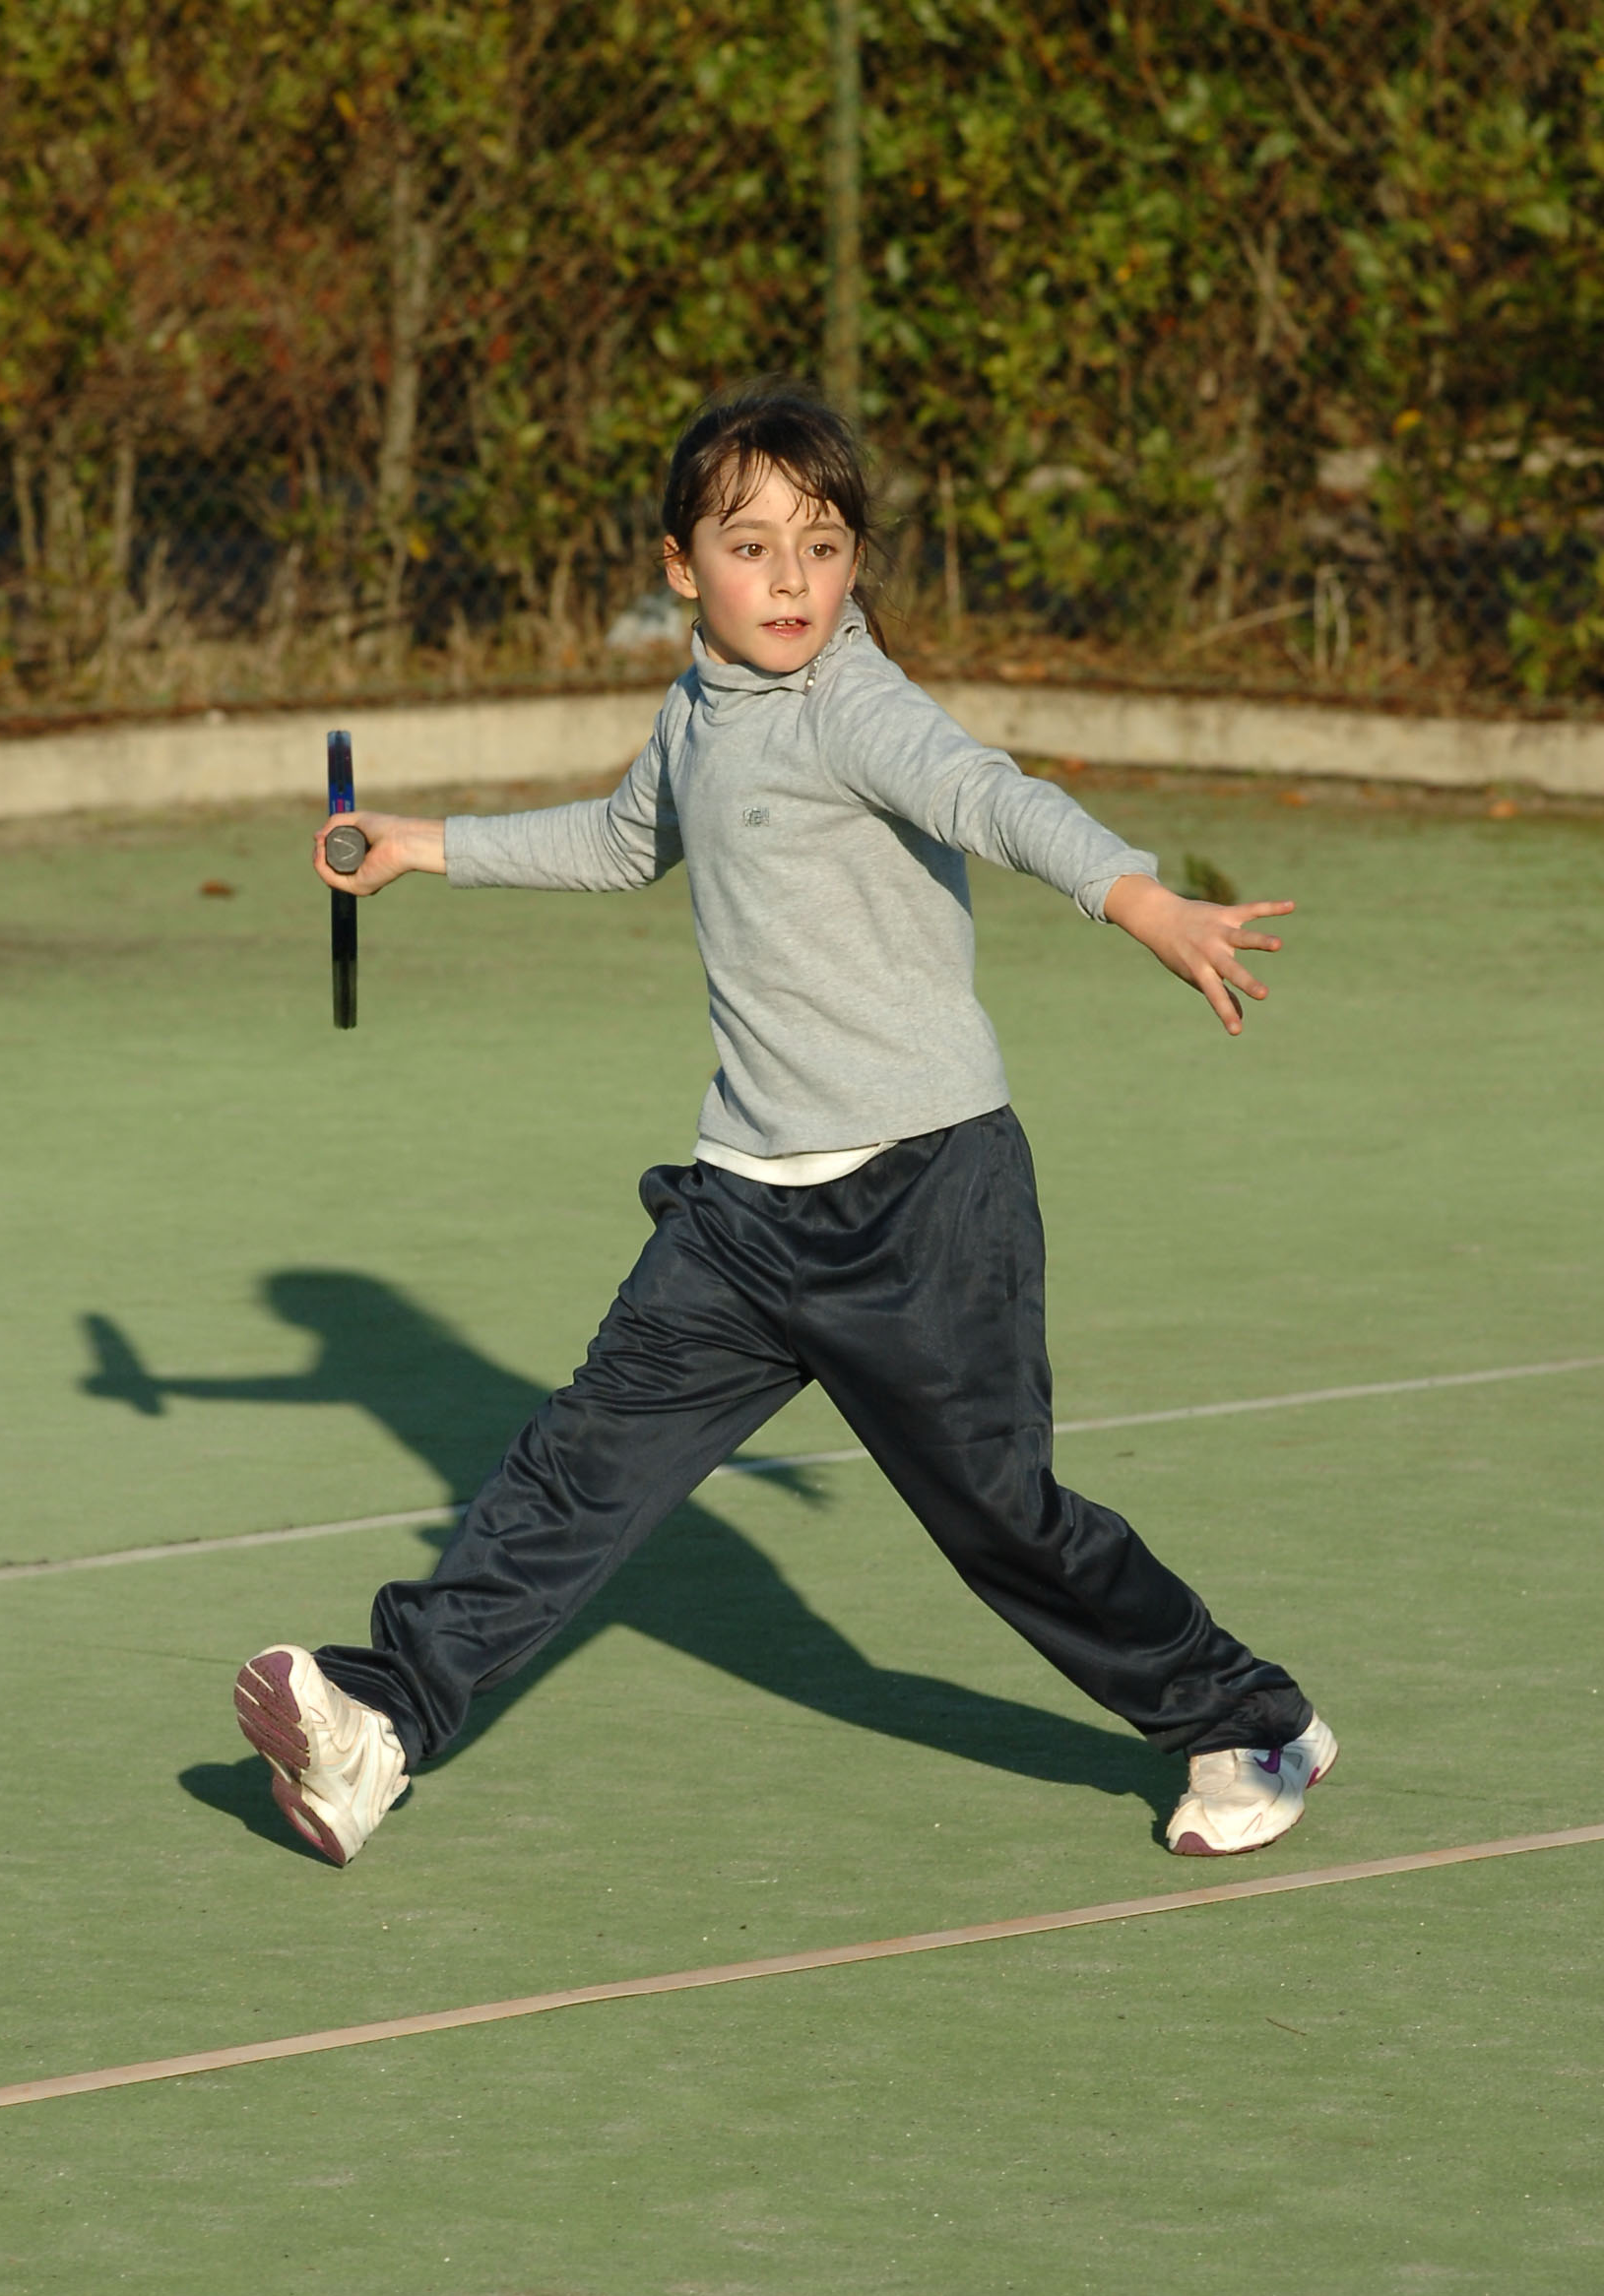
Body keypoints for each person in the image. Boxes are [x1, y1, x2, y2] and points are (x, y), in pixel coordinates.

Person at [234, 384, 1335, 1869]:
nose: (792, 580)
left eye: (823, 545)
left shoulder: (859, 709)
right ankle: (378, 1724)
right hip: (743, 1211)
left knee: (1004, 1521)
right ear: (681, 567)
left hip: (922, 1202)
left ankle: (1250, 1720)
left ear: (857, 559)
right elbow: (623, 837)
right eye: (750, 547)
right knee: (574, 1473)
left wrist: (1142, 901)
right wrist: (421, 845)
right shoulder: (699, 709)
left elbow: (995, 798)